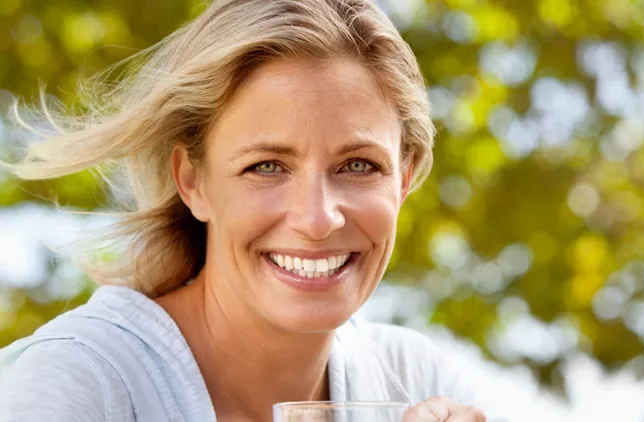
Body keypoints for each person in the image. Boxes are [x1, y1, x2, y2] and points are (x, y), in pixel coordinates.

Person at [0, 0, 498, 421]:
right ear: (192, 181)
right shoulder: (81, 385)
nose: (318, 218)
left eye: (359, 165)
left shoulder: (418, 383)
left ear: (404, 178)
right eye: (266, 167)